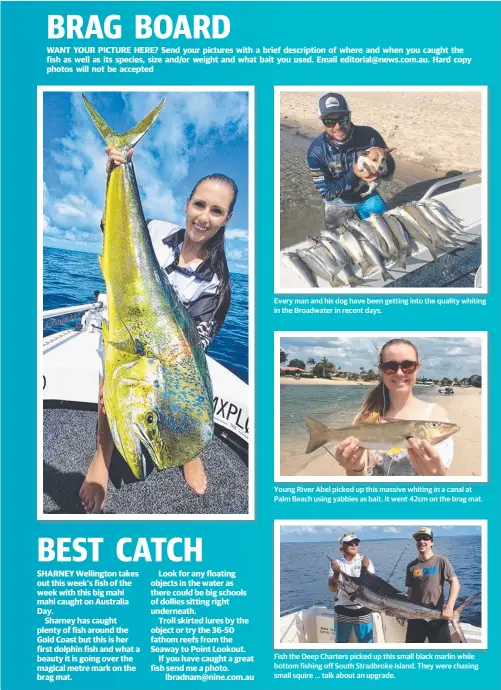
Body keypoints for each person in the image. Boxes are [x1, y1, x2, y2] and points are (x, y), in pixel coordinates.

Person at [79, 145, 238, 513]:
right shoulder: (152, 230)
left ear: (227, 218)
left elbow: (195, 346)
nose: (204, 217)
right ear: (187, 204)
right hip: (123, 329)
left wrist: (157, 371)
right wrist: (115, 172)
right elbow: (110, 228)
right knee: (110, 389)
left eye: (216, 211)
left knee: (185, 397)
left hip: (168, 355)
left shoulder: (217, 282)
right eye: (200, 205)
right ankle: (102, 458)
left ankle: (189, 452)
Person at [334, 338, 453, 477]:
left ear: (417, 367)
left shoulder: (435, 415)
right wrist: (354, 468)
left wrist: (436, 475)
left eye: (408, 365)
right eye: (390, 366)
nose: (400, 373)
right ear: (381, 370)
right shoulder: (365, 416)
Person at [307, 92, 395, 232]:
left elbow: (390, 167)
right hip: (337, 203)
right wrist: (354, 175)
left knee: (388, 232)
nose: (337, 127)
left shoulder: (370, 136)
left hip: (367, 195)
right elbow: (327, 192)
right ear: (322, 122)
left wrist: (381, 169)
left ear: (349, 116)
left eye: (342, 119)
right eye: (329, 121)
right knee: (341, 242)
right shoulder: (316, 152)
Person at [405, 528, 460, 643]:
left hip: (438, 617)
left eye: (426, 538)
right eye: (418, 538)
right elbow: (410, 592)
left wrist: (450, 606)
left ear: (432, 542)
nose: (421, 541)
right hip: (415, 618)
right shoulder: (411, 566)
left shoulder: (441, 561)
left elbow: (455, 583)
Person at [328, 532, 375, 643]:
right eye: (350, 543)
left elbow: (372, 587)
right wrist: (336, 573)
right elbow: (333, 589)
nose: (354, 545)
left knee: (366, 644)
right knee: (341, 644)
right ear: (342, 547)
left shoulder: (366, 561)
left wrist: (365, 569)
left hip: (363, 610)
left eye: (356, 542)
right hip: (342, 610)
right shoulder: (337, 564)